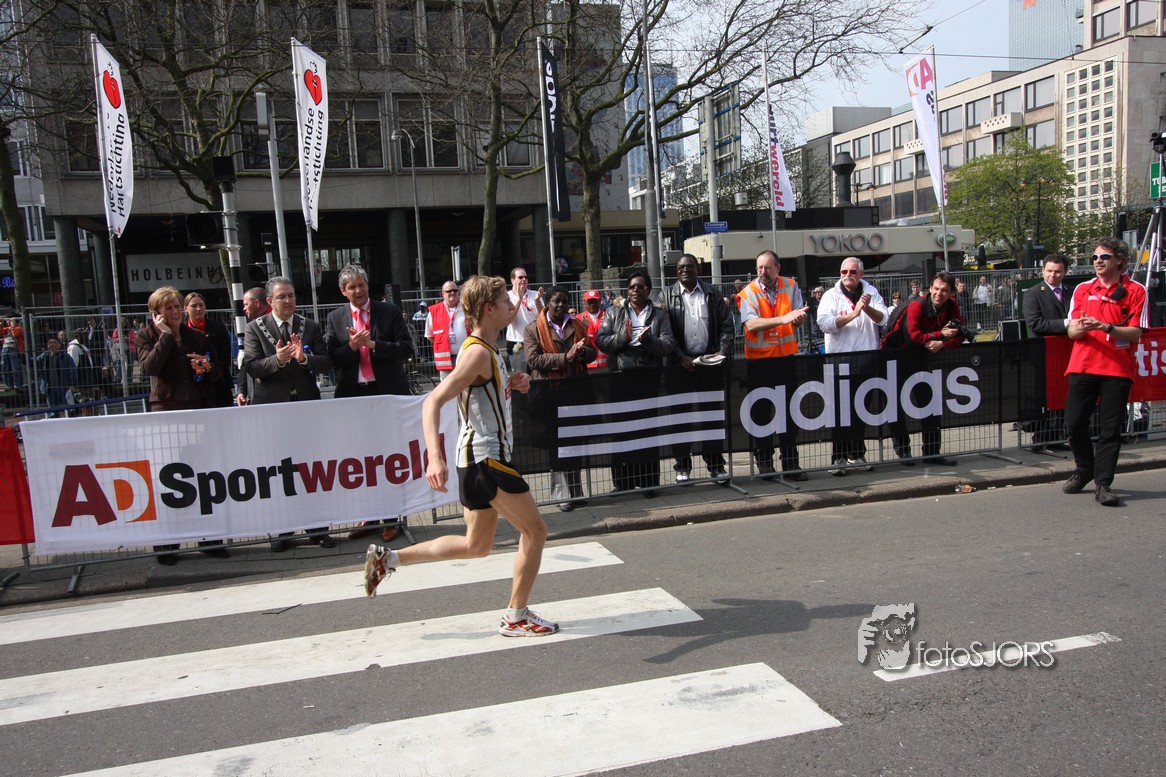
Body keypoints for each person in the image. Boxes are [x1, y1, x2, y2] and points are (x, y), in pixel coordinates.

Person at [363, 275, 559, 638]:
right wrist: (433, 457)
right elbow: (432, 402)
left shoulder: (488, 349)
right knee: (536, 531)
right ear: (488, 309)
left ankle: (388, 559)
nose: (512, 306)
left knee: (476, 545)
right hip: (486, 459)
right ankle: (516, 616)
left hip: (478, 460)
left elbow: (480, 396)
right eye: (505, 302)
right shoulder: (477, 353)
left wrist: (510, 384)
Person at [243, 277, 336, 550]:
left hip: (305, 406)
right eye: (282, 296)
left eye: (291, 295)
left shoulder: (310, 326)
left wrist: (304, 359)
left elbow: (326, 362)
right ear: (269, 301)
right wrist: (278, 360)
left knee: (310, 468)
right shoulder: (254, 328)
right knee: (278, 469)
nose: (288, 301)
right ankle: (283, 531)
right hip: (273, 409)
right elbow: (251, 366)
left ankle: (318, 528)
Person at [136, 286, 223, 564]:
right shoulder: (146, 336)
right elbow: (149, 368)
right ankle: (167, 545)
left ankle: (210, 539)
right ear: (157, 313)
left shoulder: (196, 336)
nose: (175, 312)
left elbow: (218, 370)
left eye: (177, 306)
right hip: (168, 413)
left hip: (198, 410)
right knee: (170, 479)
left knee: (203, 477)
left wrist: (206, 367)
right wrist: (164, 336)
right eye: (168, 308)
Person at [1062, 238, 1148, 507]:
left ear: (1119, 260)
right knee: (1074, 423)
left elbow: (1136, 333)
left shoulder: (1136, 290)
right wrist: (1080, 328)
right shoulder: (1083, 289)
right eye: (1095, 257)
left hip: (1117, 369)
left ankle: (1103, 483)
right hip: (1083, 365)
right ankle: (1085, 468)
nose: (1098, 261)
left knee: (1110, 430)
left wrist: (1105, 326)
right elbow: (1072, 330)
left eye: (1104, 257)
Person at [596, 271, 676, 495]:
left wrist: (649, 340)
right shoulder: (614, 313)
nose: (635, 290)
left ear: (648, 290)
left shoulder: (660, 315)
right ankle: (623, 483)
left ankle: (649, 482)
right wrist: (623, 337)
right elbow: (601, 340)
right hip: (620, 375)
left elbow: (668, 344)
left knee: (647, 429)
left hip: (648, 377)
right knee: (621, 429)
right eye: (631, 287)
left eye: (640, 287)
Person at [738, 249, 809, 480]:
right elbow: (751, 324)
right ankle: (765, 462)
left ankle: (790, 463)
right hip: (759, 362)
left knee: (789, 412)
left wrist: (798, 320)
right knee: (761, 413)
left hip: (785, 359)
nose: (762, 271)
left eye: (767, 267)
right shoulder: (749, 292)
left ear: (777, 268)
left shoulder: (790, 286)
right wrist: (783, 319)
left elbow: (797, 319)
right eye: (759, 267)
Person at [662, 253, 734, 483]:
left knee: (711, 417)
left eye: (689, 267)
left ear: (698, 270)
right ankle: (682, 467)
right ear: (676, 272)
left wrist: (722, 352)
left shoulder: (712, 293)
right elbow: (665, 332)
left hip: (708, 363)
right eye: (681, 267)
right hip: (678, 366)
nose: (685, 270)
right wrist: (680, 356)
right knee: (680, 418)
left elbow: (726, 326)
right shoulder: (666, 295)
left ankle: (716, 466)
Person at [523, 286, 595, 512]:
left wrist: (583, 353)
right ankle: (562, 495)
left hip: (575, 391)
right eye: (556, 301)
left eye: (565, 301)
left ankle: (576, 492)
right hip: (550, 393)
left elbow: (592, 352)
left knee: (575, 441)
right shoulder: (533, 328)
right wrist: (566, 357)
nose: (561, 305)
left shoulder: (577, 325)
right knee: (556, 444)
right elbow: (534, 360)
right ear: (548, 303)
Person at [817, 257, 887, 475]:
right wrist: (854, 314)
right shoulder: (830, 295)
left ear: (861, 274)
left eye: (853, 271)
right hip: (839, 361)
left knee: (860, 411)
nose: (848, 275)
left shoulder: (871, 292)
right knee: (839, 412)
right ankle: (838, 458)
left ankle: (856, 454)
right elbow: (824, 324)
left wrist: (866, 309)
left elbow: (883, 318)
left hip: (866, 359)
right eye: (844, 271)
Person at [888, 271, 966, 466]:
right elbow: (914, 336)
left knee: (930, 404)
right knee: (896, 405)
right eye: (936, 289)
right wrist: (941, 335)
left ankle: (931, 452)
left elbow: (960, 334)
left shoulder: (952, 305)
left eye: (944, 290)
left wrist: (941, 344)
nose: (939, 293)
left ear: (951, 293)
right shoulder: (916, 305)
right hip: (896, 355)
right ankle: (903, 452)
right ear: (930, 288)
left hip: (921, 358)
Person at [325, 264, 414, 398]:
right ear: (343, 291)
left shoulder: (390, 312)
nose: (358, 291)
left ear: (367, 285)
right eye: (352, 287)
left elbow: (406, 348)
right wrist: (352, 346)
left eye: (361, 285)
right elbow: (332, 359)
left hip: (389, 390)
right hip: (352, 393)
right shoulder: (335, 318)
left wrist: (374, 345)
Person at [1023, 255, 1073, 451]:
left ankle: (1057, 435)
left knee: (1063, 394)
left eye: (1058, 271)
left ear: (1065, 272)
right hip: (1044, 353)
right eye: (1049, 271)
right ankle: (1041, 437)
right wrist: (1066, 324)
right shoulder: (1033, 293)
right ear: (1043, 271)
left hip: (1067, 353)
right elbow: (1035, 323)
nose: (1053, 275)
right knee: (1043, 396)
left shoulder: (1071, 292)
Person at [184, 292, 235, 408]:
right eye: (194, 306)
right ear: (185, 308)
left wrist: (209, 367)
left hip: (218, 386)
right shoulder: (181, 330)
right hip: (192, 388)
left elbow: (225, 359)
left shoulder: (218, 328)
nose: (198, 309)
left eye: (201, 305)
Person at [234, 287, 269, 406]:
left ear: (257, 303)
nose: (244, 309)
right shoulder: (253, 327)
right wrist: (241, 390)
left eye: (246, 304)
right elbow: (247, 360)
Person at [425, 280, 467, 379]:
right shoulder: (434, 311)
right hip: (445, 360)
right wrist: (443, 343)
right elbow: (429, 335)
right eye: (449, 291)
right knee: (448, 386)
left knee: (467, 385)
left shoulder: (466, 308)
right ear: (443, 293)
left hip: (465, 356)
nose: (452, 293)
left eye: (455, 290)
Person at [505, 267, 543, 374]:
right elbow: (508, 319)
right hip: (517, 342)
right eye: (520, 277)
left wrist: (538, 302)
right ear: (512, 280)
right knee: (521, 376)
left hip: (535, 342)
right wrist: (519, 299)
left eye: (525, 277)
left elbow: (543, 317)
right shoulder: (507, 297)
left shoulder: (535, 294)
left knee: (537, 374)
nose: (524, 279)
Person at [35, 336, 77, 412]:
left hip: (63, 387)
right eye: (50, 343)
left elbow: (72, 371)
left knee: (67, 408)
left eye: (54, 342)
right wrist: (21, 355)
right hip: (49, 388)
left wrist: (72, 384)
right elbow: (32, 363)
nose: (52, 344)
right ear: (47, 345)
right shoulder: (43, 357)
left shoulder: (65, 357)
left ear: (59, 345)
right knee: (53, 410)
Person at [577, 289, 608, 372]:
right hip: (587, 364)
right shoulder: (578, 318)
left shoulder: (608, 316)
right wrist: (584, 328)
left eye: (595, 302)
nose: (592, 305)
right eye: (589, 302)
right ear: (585, 302)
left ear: (600, 301)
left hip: (606, 364)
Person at [2, 317, 25, 389]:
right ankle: (9, 385)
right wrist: (1, 323)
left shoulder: (19, 328)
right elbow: (1, 331)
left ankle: (17, 384)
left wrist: (12, 326)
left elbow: (15, 334)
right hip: (5, 348)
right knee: (5, 367)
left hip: (14, 348)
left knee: (16, 367)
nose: (9, 321)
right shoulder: (7, 328)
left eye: (11, 320)